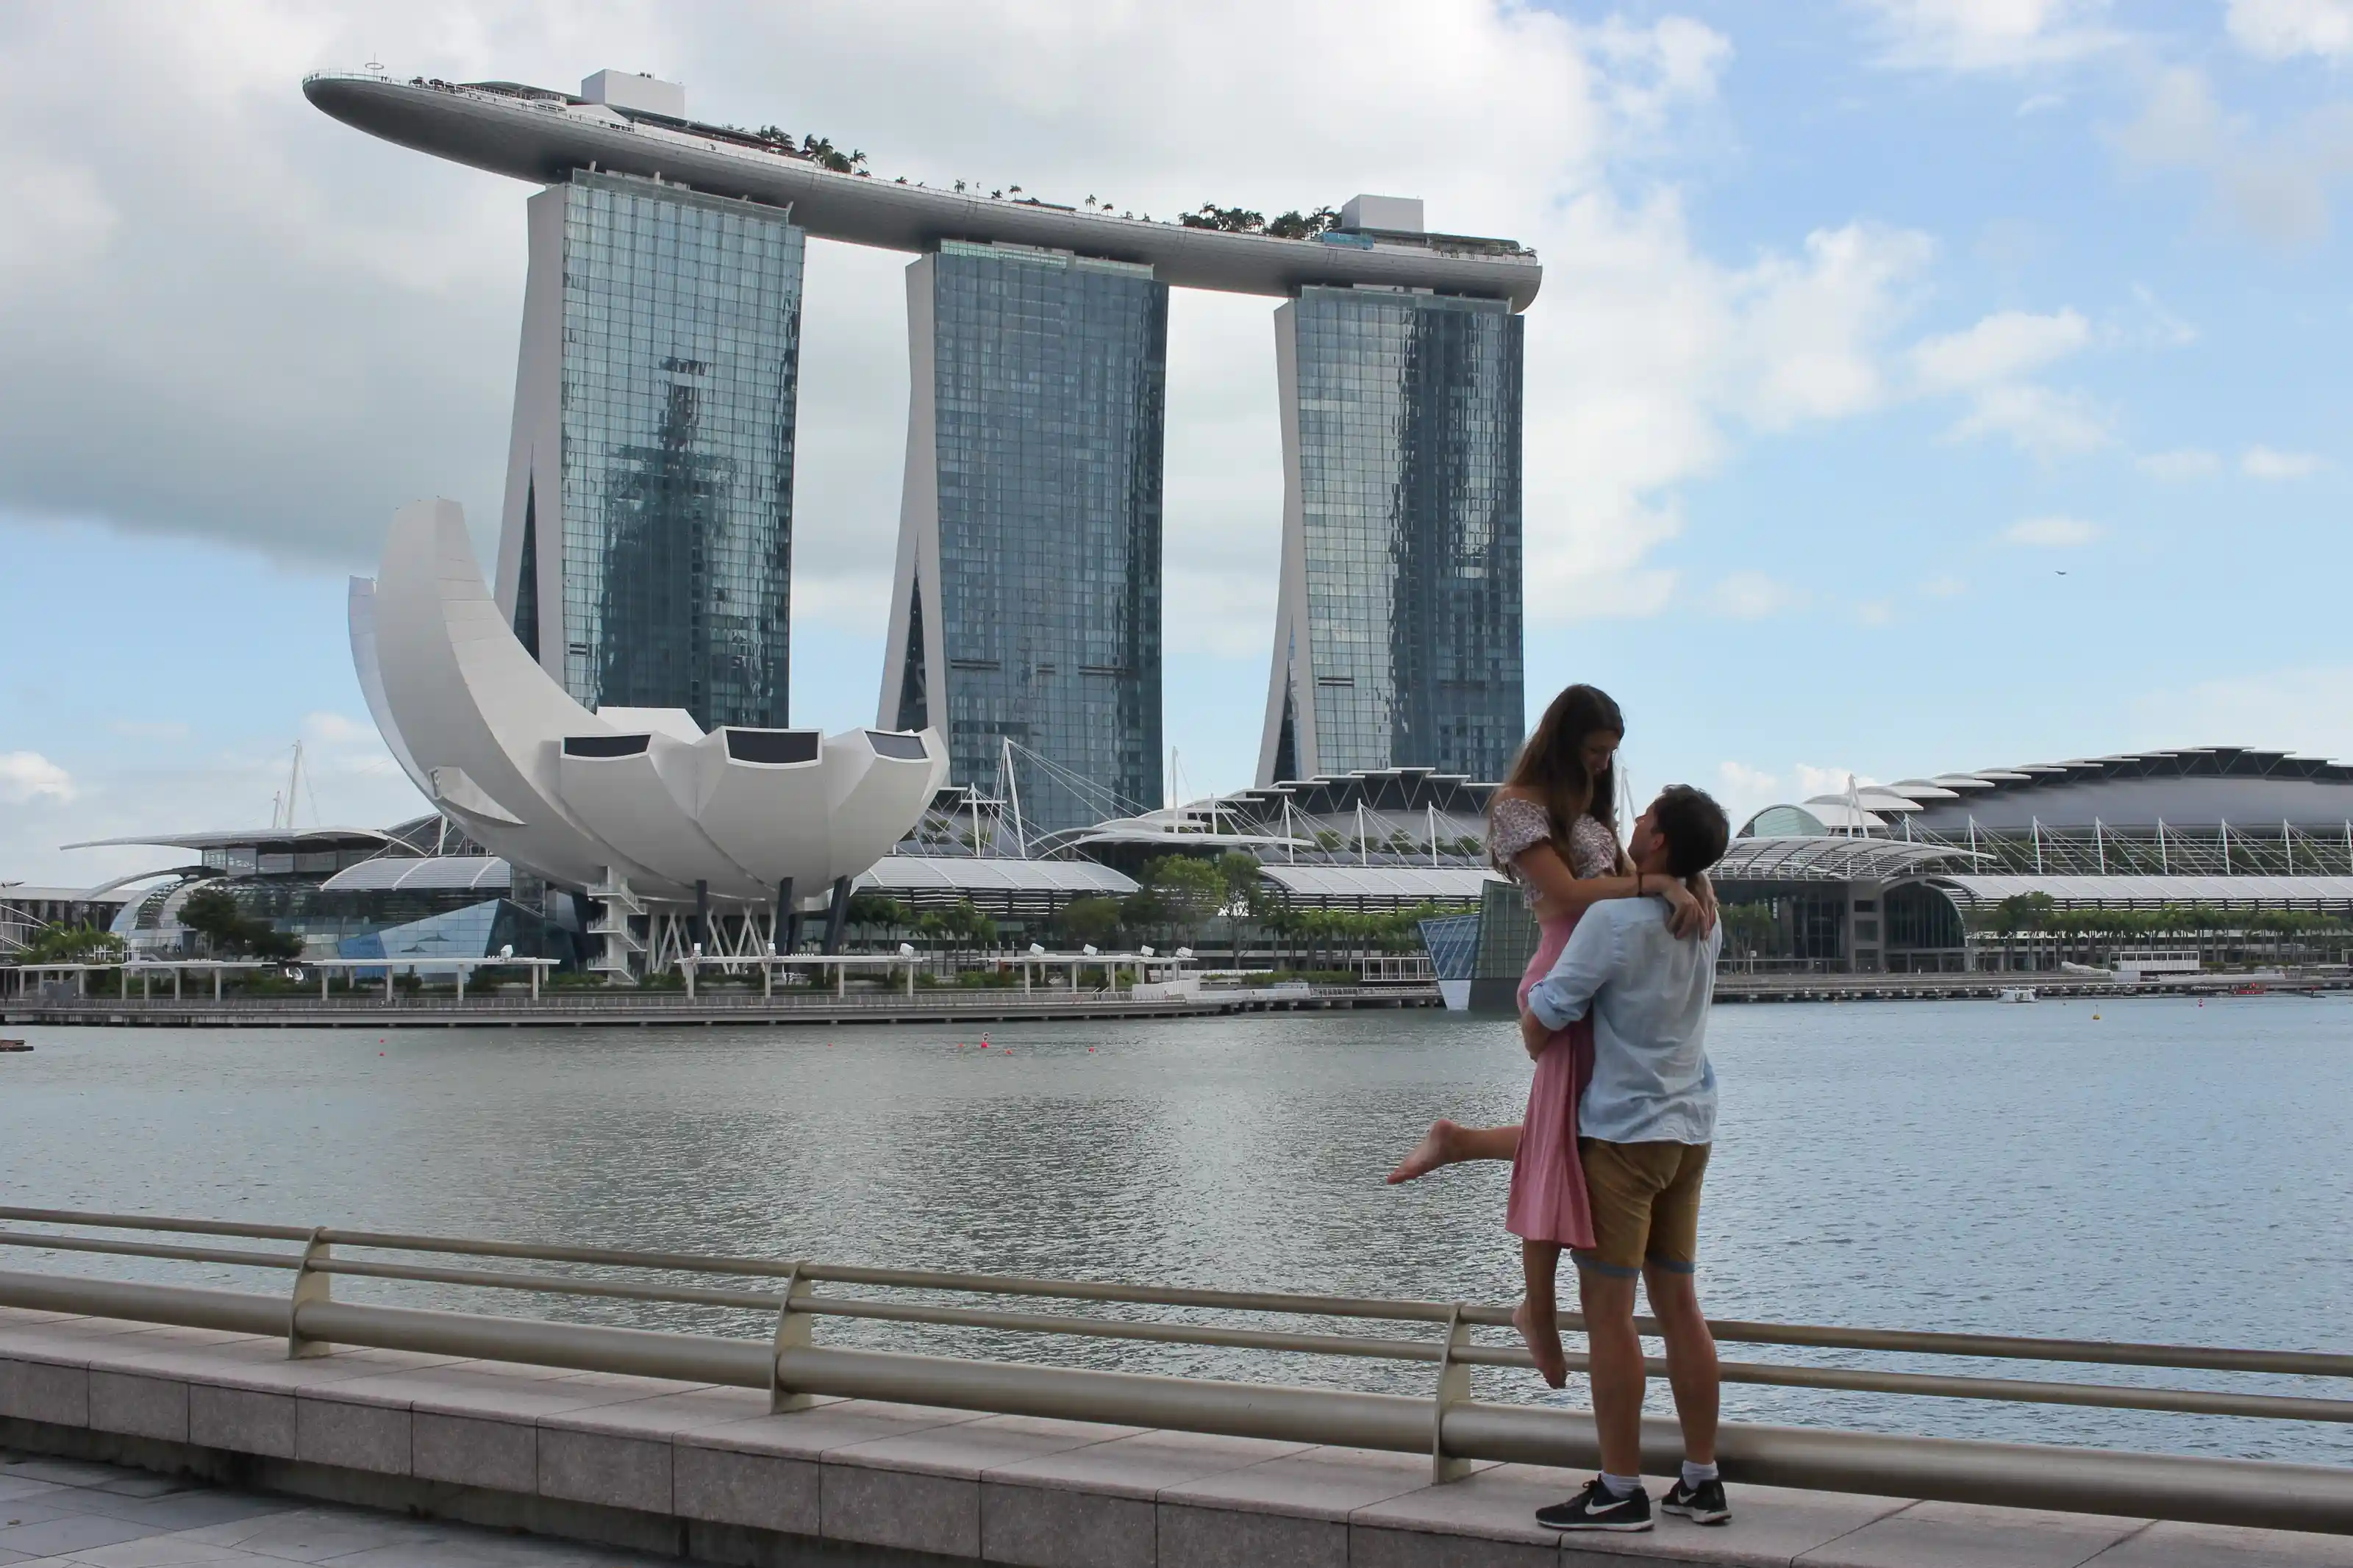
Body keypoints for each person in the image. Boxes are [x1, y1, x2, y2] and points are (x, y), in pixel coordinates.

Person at [1386, 685, 1713, 1390]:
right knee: (1559, 1142)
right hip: (1565, 977)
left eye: (1611, 756)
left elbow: (1629, 876)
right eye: (1595, 752)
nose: (1603, 767)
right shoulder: (1517, 805)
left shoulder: (1586, 807)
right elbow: (1563, 896)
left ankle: (1461, 1143)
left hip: (1602, 986)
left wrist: (1689, 876)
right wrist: (1657, 883)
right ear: (1565, 742)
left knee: (1567, 1133)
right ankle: (1537, 1305)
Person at [1519, 784, 1732, 1534]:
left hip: (1622, 1138)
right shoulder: (1706, 916)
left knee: (1607, 1316)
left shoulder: (1611, 920)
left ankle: (1618, 1488)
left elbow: (1543, 1023)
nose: (1632, 823)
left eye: (1645, 820)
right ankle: (1701, 1481)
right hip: (1687, 1134)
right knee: (1678, 1304)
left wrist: (1531, 992)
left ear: (1660, 845)